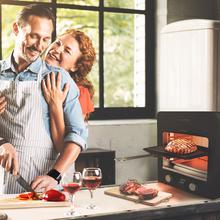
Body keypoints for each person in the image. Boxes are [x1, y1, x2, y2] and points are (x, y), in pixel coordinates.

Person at [0, 4, 87, 194]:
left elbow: (78, 135)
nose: (39, 46)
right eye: (34, 36)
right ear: (16, 29)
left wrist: (54, 175)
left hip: (43, 180)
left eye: (46, 39)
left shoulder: (59, 79)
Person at [42, 29, 95, 151]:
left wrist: (55, 105)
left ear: (75, 66)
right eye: (58, 43)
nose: (57, 50)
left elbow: (64, 146)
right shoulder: (29, 75)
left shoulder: (80, 92)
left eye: (67, 50)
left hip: (56, 164)